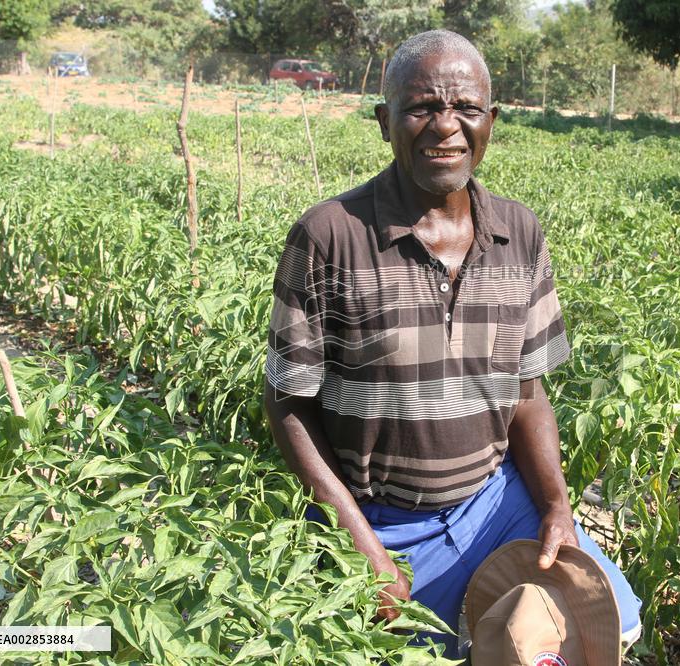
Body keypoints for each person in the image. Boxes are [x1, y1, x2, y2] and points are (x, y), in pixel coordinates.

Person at [263, 29, 641, 658]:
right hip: (384, 521)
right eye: (422, 108)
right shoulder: (329, 236)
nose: (446, 127)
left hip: (496, 503)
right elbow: (288, 403)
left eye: (466, 109)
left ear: (491, 122)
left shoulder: (518, 232)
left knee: (604, 628)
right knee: (416, 650)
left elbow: (527, 392)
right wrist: (362, 546)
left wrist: (555, 506)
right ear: (386, 122)